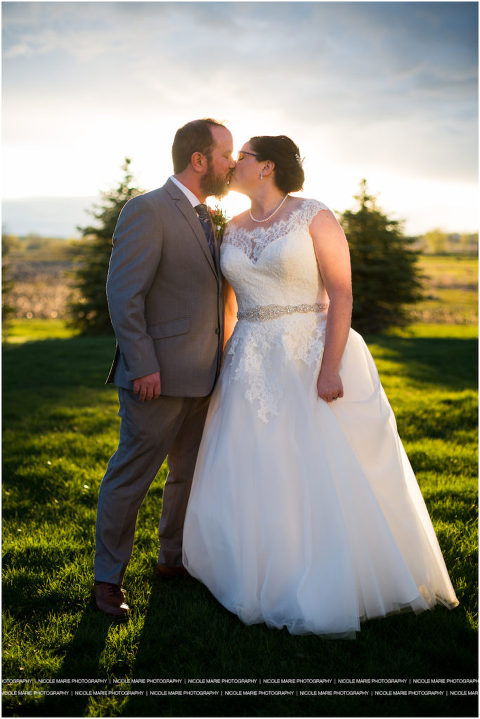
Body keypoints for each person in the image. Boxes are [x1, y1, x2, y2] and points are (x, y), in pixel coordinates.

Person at [182, 135, 459, 637]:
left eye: (242, 156)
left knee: (313, 462)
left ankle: (326, 576)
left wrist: (330, 368)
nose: (234, 163)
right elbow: (228, 306)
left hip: (308, 352)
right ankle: (253, 569)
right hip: (248, 359)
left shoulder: (314, 215)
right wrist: (224, 361)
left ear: (266, 166)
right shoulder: (232, 226)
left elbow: (342, 293)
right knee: (252, 463)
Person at [93, 118, 235, 619]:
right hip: (155, 379)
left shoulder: (209, 216)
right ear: (199, 160)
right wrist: (143, 365)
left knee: (187, 475)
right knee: (131, 477)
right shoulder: (147, 209)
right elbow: (123, 294)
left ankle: (172, 560)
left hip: (205, 376)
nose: (231, 164)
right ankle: (108, 579)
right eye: (225, 155)